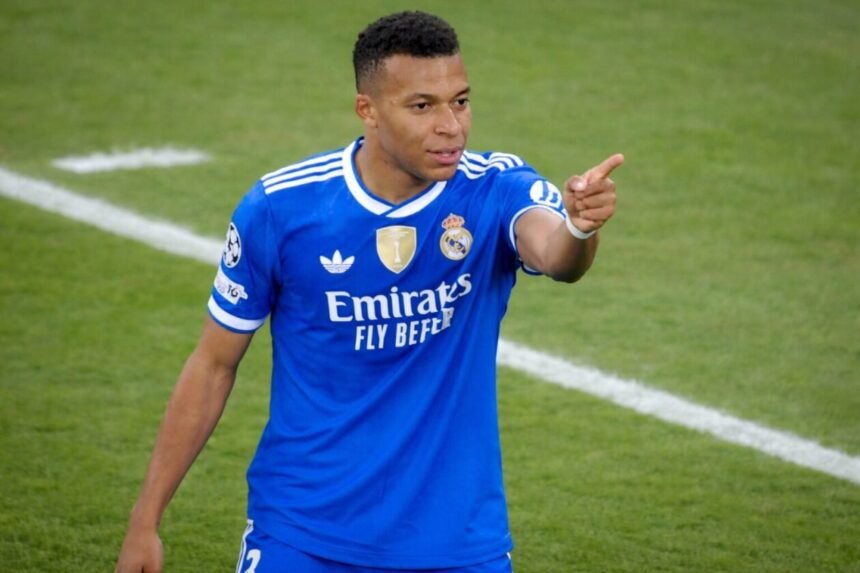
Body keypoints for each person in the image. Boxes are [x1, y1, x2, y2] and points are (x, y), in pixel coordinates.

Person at [115, 10, 622, 573]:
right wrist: (145, 521)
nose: (451, 126)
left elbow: (556, 256)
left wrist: (580, 228)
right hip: (302, 535)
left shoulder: (496, 188)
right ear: (368, 110)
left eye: (460, 101)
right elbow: (213, 365)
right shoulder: (282, 208)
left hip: (456, 546)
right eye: (422, 106)